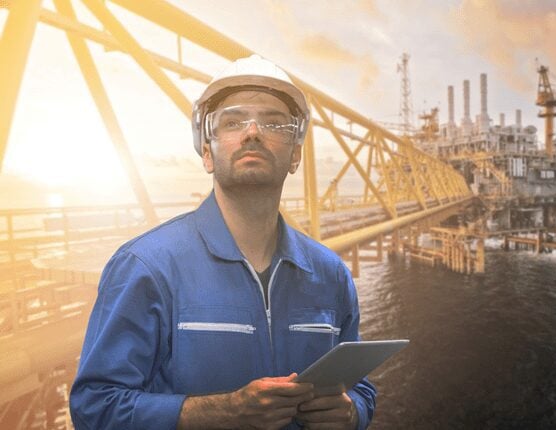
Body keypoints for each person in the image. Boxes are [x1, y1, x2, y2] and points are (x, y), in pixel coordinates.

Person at [69, 55, 376, 430]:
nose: (252, 132)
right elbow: (94, 408)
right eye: (232, 121)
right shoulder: (146, 266)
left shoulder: (330, 274)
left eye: (274, 122)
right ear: (207, 153)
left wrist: (352, 413)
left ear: (295, 154)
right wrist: (219, 413)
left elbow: (359, 388)